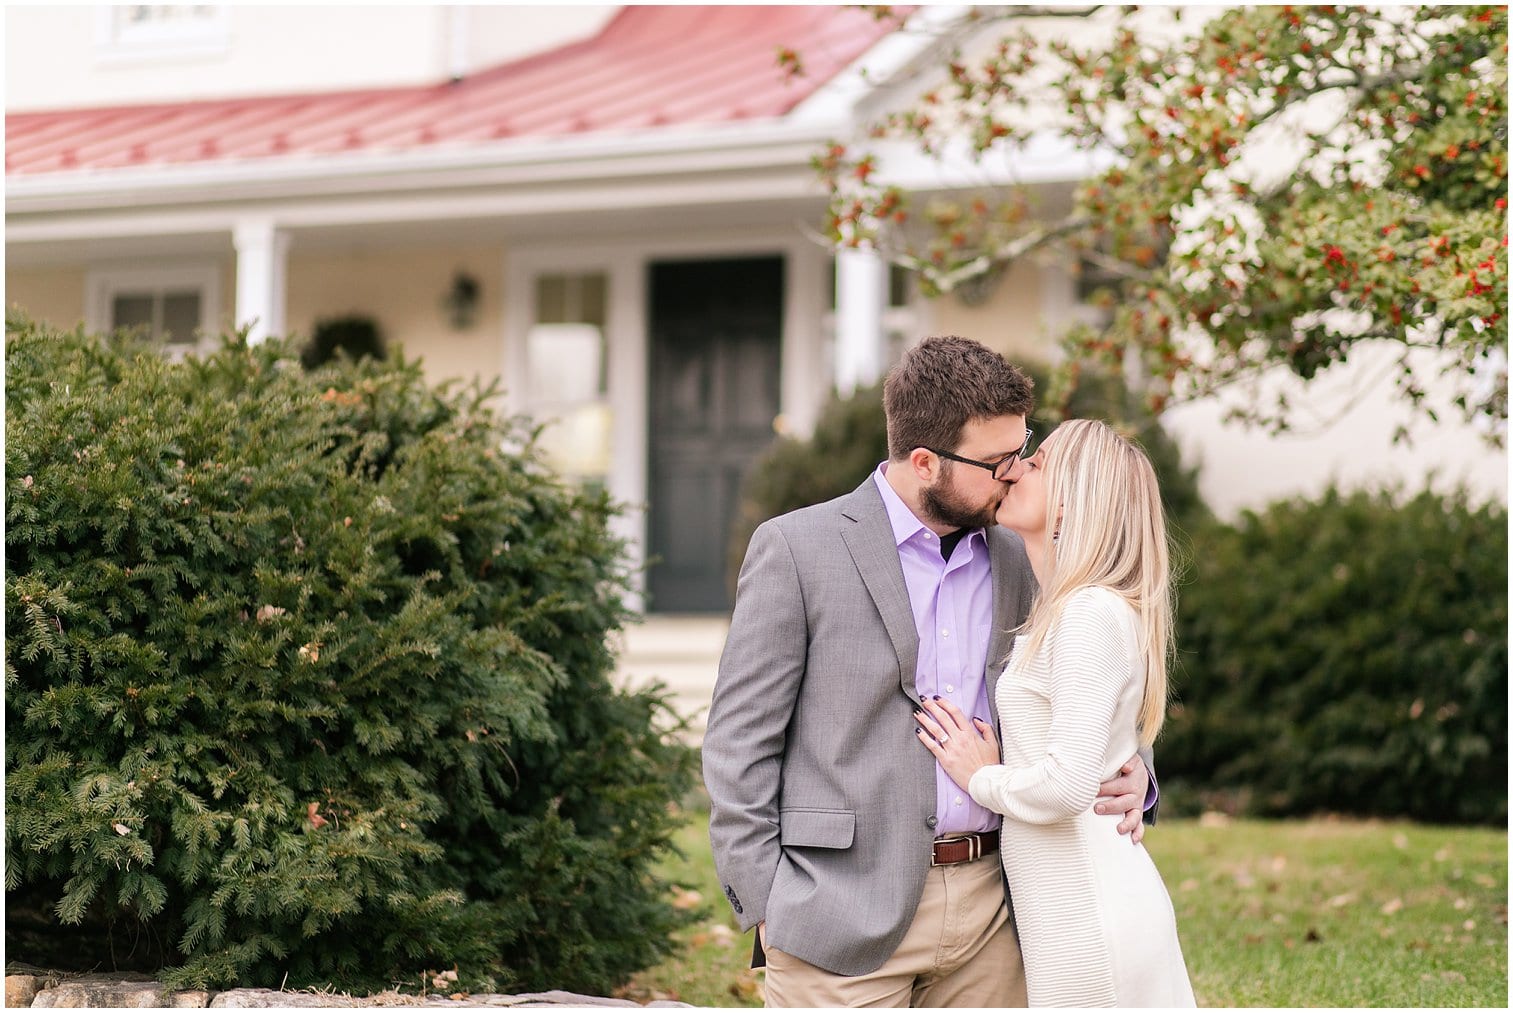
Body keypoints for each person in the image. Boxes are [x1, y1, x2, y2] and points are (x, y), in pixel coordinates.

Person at [703, 336, 1153, 1008]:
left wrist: (1134, 767)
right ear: (923, 462)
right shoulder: (797, 548)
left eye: (1020, 448)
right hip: (835, 915)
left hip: (996, 913)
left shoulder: (1021, 553)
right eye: (996, 460)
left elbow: (1090, 673)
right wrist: (766, 901)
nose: (1013, 471)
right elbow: (738, 740)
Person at [915, 418, 1196, 1007]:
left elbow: (1068, 785)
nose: (1014, 468)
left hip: (1089, 914)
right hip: (1069, 905)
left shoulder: (1087, 613)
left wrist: (978, 776)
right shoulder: (1068, 607)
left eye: (1036, 464)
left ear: (1071, 503)